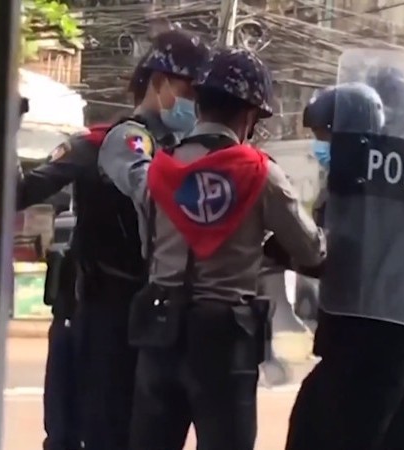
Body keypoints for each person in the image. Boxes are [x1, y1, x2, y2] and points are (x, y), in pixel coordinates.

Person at [98, 46, 326, 450]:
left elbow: (148, 241)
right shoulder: (261, 173)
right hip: (225, 342)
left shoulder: (159, 169)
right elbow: (312, 251)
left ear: (199, 103)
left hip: (159, 329)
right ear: (250, 116)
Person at [16, 29, 209, 450]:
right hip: (101, 312)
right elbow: (18, 193)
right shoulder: (96, 144)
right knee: (90, 428)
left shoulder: (194, 155)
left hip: (160, 317)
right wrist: (5, 133)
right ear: (159, 81)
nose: (196, 102)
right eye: (189, 90)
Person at [284, 76, 404, 450]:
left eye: (326, 137)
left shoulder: (371, 185)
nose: (322, 147)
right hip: (401, 334)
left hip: (369, 341)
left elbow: (333, 249)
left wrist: (293, 250)